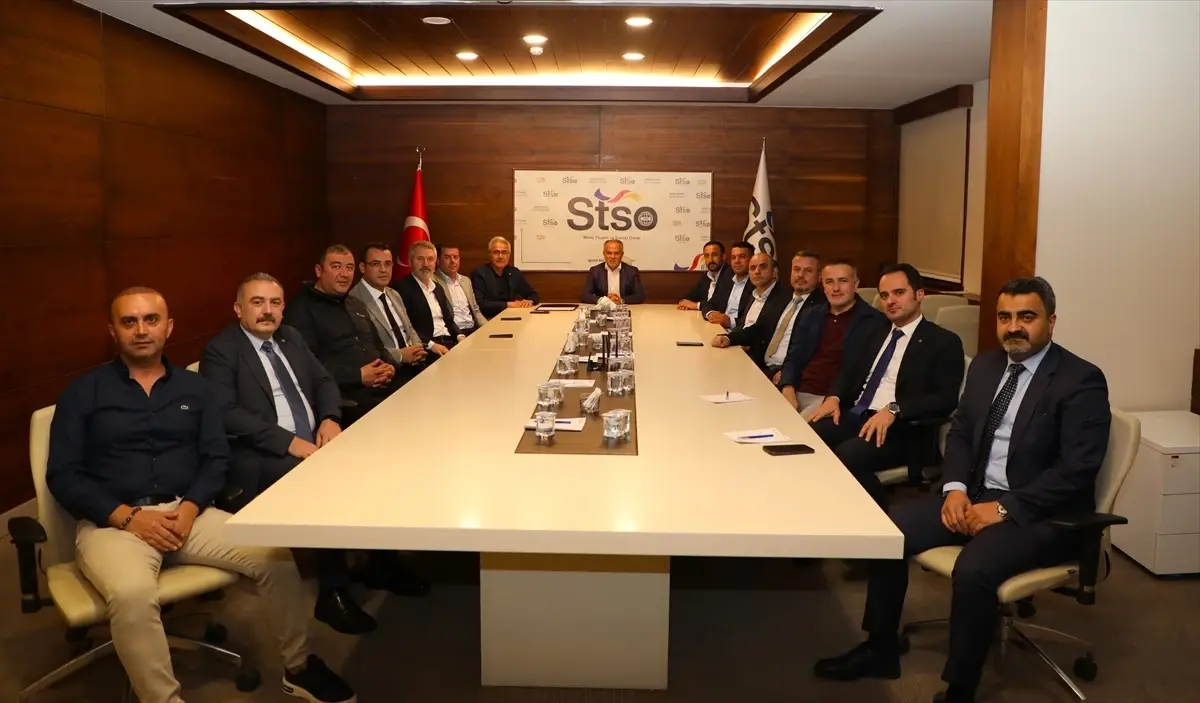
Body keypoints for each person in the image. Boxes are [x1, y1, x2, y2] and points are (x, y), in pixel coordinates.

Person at [46, 287, 356, 703]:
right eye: (129, 322)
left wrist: (192, 507)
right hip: (115, 524)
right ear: (113, 331)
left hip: (188, 514)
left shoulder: (195, 389)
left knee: (276, 558)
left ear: (168, 328)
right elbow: (63, 475)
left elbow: (216, 458)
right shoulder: (83, 394)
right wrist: (126, 517)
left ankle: (299, 666)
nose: (142, 330)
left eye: (151, 320)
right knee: (133, 595)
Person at [814, 277, 1111, 703]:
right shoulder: (988, 366)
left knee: (974, 569)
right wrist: (954, 488)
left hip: (1041, 511)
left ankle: (961, 688)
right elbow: (962, 435)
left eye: (1027, 316)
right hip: (974, 494)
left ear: (1051, 322)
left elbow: (1076, 470)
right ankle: (880, 648)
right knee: (888, 533)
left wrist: (1005, 508)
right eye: (1004, 317)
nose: (1014, 326)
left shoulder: (1080, 380)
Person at [201, 274, 376, 635]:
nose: (268, 310)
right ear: (238, 309)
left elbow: (324, 381)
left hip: (313, 442)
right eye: (257, 302)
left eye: (275, 303)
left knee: (374, 463)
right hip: (258, 454)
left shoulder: (291, 337)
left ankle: (380, 564)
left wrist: (329, 418)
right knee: (323, 485)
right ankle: (332, 593)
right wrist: (287, 442)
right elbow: (225, 412)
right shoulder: (222, 350)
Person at [808, 264, 964, 509]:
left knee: (848, 455)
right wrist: (834, 397)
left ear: (919, 295)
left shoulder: (943, 341)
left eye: (899, 293)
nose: (890, 301)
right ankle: (824, 507)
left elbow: (945, 399)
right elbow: (848, 372)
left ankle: (886, 516)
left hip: (902, 429)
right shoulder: (874, 331)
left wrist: (894, 409)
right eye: (884, 295)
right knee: (810, 436)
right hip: (857, 415)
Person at [283, 245, 408, 425]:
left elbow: (377, 345)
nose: (344, 274)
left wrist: (388, 366)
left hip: (383, 384)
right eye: (336, 266)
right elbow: (306, 368)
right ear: (319, 271)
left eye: (349, 267)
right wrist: (358, 376)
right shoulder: (301, 310)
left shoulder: (354, 303)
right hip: (347, 398)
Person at [779, 260, 885, 419]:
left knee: (791, 429)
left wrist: (833, 397)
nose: (836, 288)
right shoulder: (811, 314)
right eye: (829, 282)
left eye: (842, 281)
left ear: (855, 284)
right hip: (796, 390)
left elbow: (857, 372)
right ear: (823, 285)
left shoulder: (874, 321)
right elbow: (794, 356)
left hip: (831, 398)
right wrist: (787, 387)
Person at [713, 251, 825, 377]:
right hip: (761, 366)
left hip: (785, 373)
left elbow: (812, 352)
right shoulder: (783, 297)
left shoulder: (822, 307)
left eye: (808, 271)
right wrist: (729, 338)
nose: (800, 275)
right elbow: (759, 329)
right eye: (797, 269)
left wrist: (787, 374)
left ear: (819, 276)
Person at [347, 241, 428, 369]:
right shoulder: (353, 299)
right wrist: (400, 355)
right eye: (375, 264)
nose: (383, 270)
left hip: (415, 363)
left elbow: (409, 328)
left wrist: (417, 349)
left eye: (388, 264)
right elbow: (366, 347)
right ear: (362, 267)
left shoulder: (394, 294)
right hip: (387, 368)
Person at [395, 241, 463, 353]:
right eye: (420, 259)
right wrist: (431, 345)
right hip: (427, 347)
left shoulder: (438, 288)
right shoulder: (401, 288)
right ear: (410, 261)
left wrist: (459, 336)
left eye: (430, 259)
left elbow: (448, 320)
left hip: (449, 341)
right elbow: (406, 327)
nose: (425, 264)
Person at [471, 236, 540, 318]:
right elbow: (480, 304)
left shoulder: (514, 272)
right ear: (489, 254)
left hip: (511, 316)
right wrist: (509, 304)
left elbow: (534, 294)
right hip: (489, 319)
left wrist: (529, 301)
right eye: (496, 252)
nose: (500, 256)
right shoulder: (480, 273)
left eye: (504, 252)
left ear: (509, 255)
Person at [436, 244, 488, 335]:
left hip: (472, 329)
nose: (453, 261)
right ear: (438, 260)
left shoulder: (466, 281)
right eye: (447, 257)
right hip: (452, 333)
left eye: (455, 257)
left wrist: (488, 327)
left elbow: (475, 310)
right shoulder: (433, 282)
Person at [701, 241, 755, 329]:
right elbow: (710, 303)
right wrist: (710, 314)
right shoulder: (727, 279)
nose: (737, 261)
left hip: (740, 332)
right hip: (718, 328)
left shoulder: (756, 284)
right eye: (733, 257)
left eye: (742, 257)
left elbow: (756, 321)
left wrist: (730, 322)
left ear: (752, 259)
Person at [581, 238, 646, 304]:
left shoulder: (632, 271)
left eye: (616, 253)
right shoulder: (595, 271)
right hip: (603, 307)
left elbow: (640, 296)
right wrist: (603, 300)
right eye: (609, 253)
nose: (612, 257)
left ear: (622, 255)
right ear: (604, 254)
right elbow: (585, 295)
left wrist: (621, 300)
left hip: (623, 307)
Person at [678, 240, 730, 310]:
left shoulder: (730, 275)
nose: (710, 260)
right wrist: (684, 302)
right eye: (707, 256)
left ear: (723, 256)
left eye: (714, 255)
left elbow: (718, 304)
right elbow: (690, 297)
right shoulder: (707, 276)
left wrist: (696, 305)